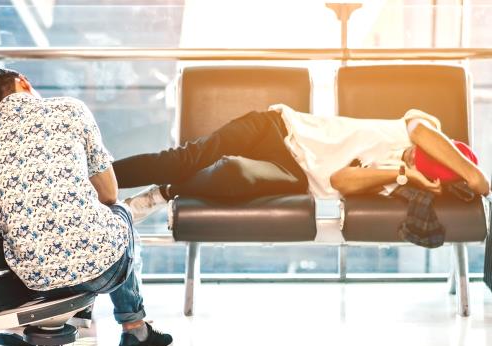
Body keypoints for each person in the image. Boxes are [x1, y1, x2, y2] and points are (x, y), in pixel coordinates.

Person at [0, 68, 172, 346]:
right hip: (102, 271)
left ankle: (81, 313)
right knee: (118, 215)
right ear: (23, 82)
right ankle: (135, 330)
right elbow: (109, 194)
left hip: (31, 279)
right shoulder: (69, 109)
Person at [114, 106, 490, 221]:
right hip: (274, 129)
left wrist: (405, 173)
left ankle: (162, 194)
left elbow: (341, 180)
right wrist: (473, 176)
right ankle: (98, 177)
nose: (412, 154)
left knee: (234, 173)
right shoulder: (420, 129)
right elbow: (427, 135)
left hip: (293, 175)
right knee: (186, 158)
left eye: (417, 161)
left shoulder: (394, 180)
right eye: (416, 154)